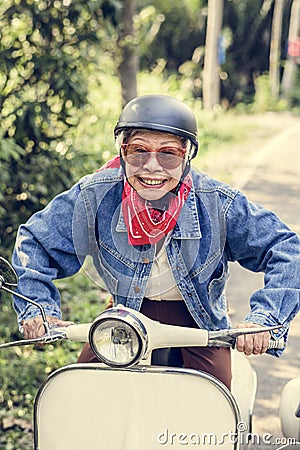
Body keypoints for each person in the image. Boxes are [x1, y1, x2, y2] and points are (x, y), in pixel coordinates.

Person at [12, 94, 299, 390]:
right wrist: (38, 309)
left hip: (199, 324)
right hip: (126, 318)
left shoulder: (218, 204)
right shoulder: (95, 195)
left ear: (187, 156)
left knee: (213, 407)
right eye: (138, 151)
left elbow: (288, 250)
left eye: (168, 154)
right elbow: (35, 241)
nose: (151, 166)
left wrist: (264, 317)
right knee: (80, 391)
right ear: (122, 152)